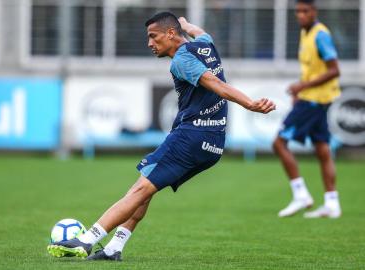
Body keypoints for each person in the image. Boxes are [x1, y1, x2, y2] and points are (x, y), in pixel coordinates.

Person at [47, 12, 276, 261]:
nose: (149, 43)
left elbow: (216, 84)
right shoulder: (205, 44)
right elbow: (199, 33)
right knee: (146, 187)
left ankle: (86, 240)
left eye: (153, 37)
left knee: (139, 189)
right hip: (214, 144)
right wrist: (186, 25)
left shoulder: (181, 60)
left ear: (170, 34)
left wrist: (250, 104)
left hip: (190, 137)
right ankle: (114, 249)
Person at [273, 0, 342, 218]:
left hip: (314, 100)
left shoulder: (321, 35)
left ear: (314, 12)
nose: (301, 15)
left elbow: (334, 70)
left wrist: (302, 87)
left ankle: (300, 195)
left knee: (278, 143)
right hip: (313, 99)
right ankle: (332, 204)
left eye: (305, 11)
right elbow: (312, 70)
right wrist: (299, 92)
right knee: (322, 149)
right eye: (298, 11)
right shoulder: (306, 33)